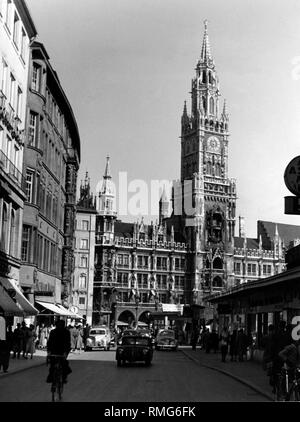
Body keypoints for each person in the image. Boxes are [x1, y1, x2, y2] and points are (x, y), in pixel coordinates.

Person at [46, 320, 72, 384]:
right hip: (60, 351)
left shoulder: (53, 332)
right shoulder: (66, 332)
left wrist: (49, 351)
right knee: (63, 365)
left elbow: (49, 342)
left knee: (54, 365)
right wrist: (66, 352)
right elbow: (68, 343)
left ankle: (53, 377)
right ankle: (63, 378)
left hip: (56, 351)